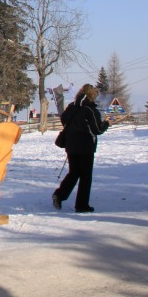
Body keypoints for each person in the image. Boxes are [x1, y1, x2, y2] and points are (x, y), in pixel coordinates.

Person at [52, 83, 110, 213]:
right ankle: (81, 205)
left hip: (71, 145)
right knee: (85, 176)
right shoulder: (90, 110)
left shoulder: (72, 107)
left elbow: (64, 120)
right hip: (86, 146)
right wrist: (106, 124)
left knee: (74, 172)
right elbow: (97, 129)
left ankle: (60, 194)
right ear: (92, 95)